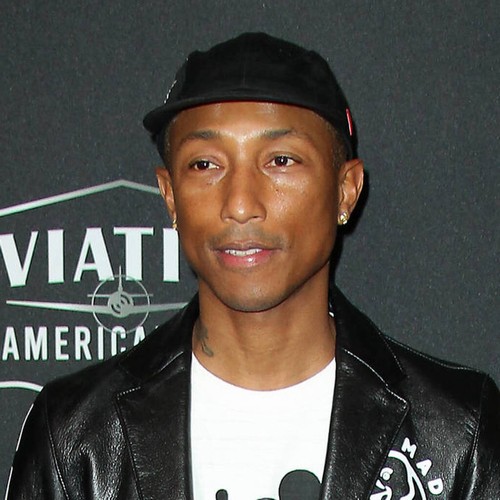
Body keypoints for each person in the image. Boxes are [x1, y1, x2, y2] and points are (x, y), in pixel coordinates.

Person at [7, 32, 500, 500]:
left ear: (345, 191)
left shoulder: (456, 432)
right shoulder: (76, 435)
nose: (240, 205)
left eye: (281, 160)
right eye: (205, 165)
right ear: (170, 195)